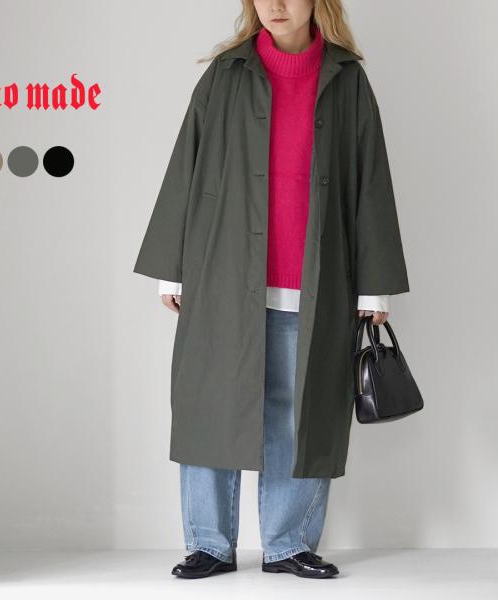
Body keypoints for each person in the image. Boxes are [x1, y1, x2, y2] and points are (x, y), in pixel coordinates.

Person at [134, 0, 409, 580]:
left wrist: (375, 286)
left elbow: (370, 180)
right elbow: (186, 165)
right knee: (211, 404)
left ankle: (288, 544)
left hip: (317, 282)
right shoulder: (226, 74)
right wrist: (171, 267)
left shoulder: (346, 79)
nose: (275, 6)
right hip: (223, 273)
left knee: (300, 412)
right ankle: (209, 543)